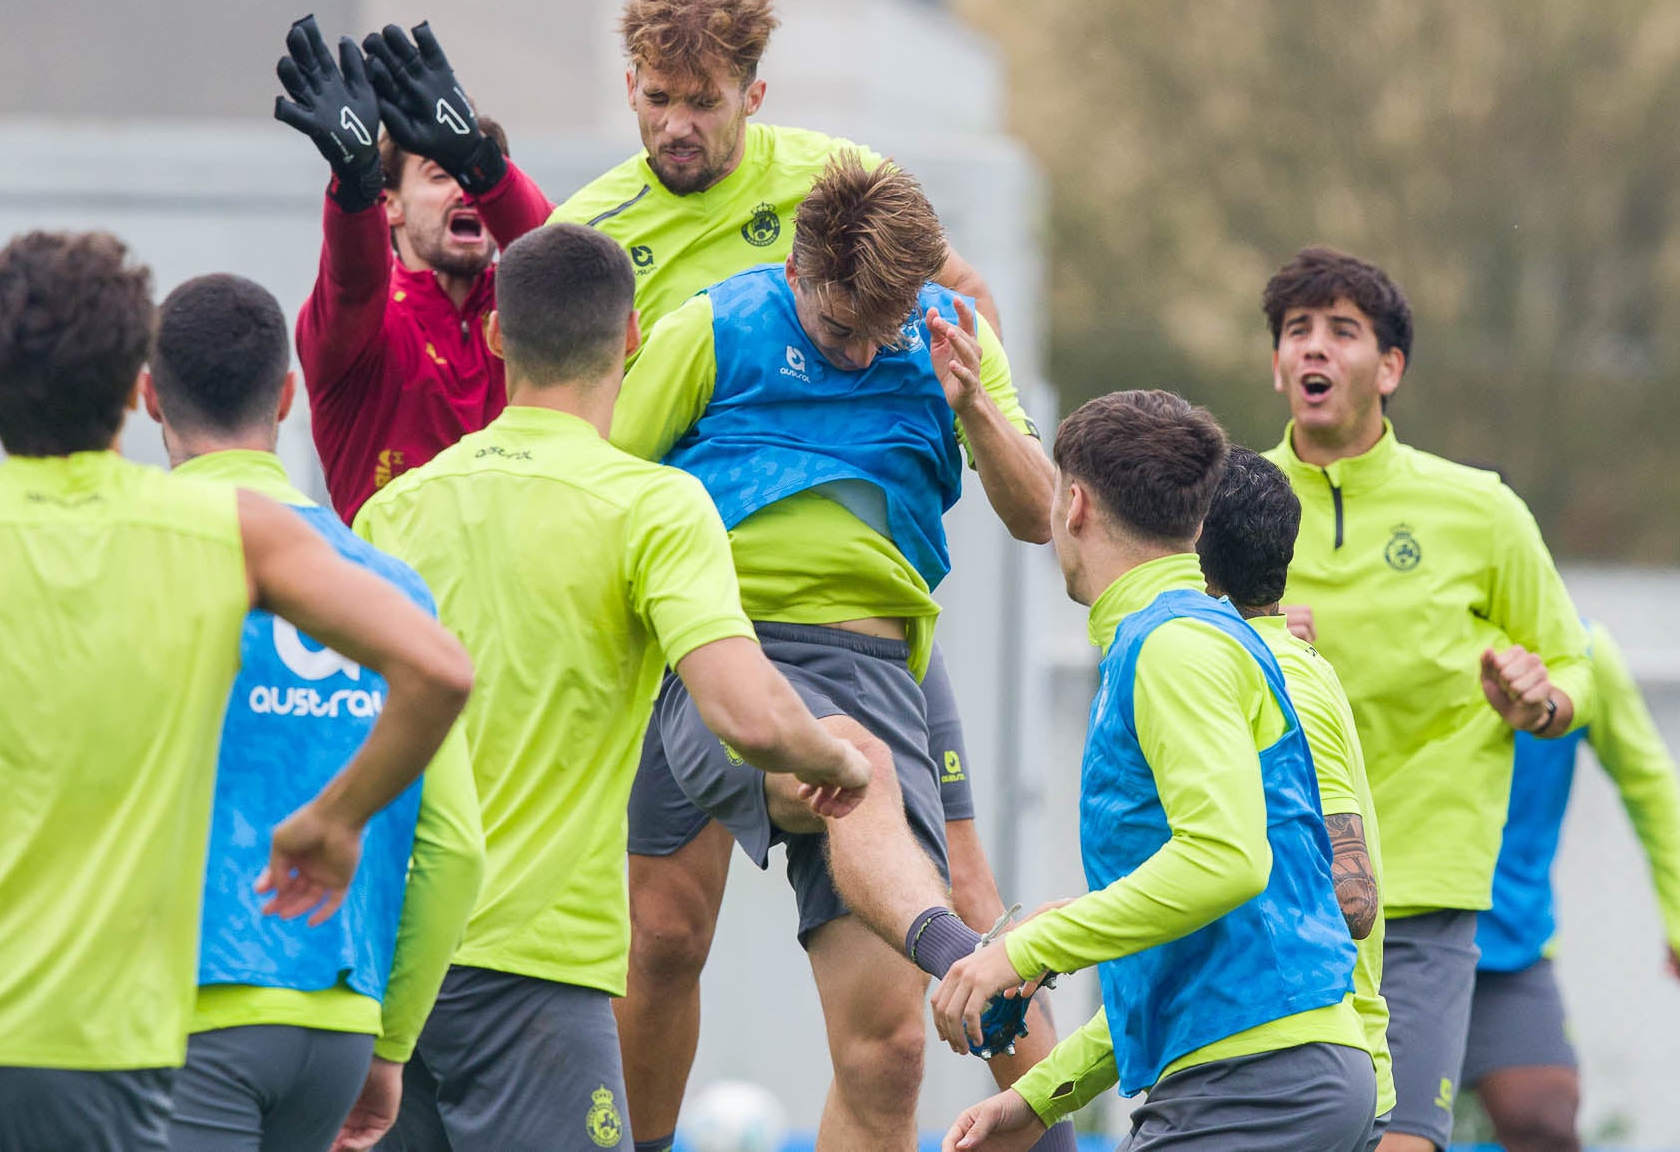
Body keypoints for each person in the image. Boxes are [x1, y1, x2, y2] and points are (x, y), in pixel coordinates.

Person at [361, 0, 1055, 1146]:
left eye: (705, 102)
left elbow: (1029, 490)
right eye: (656, 100)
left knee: (911, 999)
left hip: (875, 625)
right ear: (628, 87)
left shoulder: (853, 204)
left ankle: (999, 1008)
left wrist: (963, 352)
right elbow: (570, 409)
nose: (678, 125)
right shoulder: (621, 250)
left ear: (754, 94)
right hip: (686, 604)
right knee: (663, 935)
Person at [0, 229, 475, 1152]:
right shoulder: (219, 533)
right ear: (134, 388)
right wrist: (335, 819)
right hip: (95, 1050)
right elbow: (440, 670)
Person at [352, 222, 872, 1152]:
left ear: (499, 335)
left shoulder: (395, 509)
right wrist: (837, 756)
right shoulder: (654, 506)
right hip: (536, 969)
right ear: (632, 337)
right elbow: (746, 713)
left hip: (387, 956)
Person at [610, 155, 1064, 1151]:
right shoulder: (714, 327)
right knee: (665, 943)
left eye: (881, 330)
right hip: (718, 649)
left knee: (888, 1053)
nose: (860, 353)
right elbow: (606, 480)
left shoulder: (948, 336)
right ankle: (948, 943)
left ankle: (945, 948)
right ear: (795, 273)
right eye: (834, 327)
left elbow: (1041, 519)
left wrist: (974, 405)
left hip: (873, 663)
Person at [932, 392, 1373, 1152]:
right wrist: (1041, 1097)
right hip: (1272, 1072)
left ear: (1072, 504)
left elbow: (1225, 860)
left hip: (1255, 1081)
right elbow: (1191, 942)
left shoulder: (1172, 647)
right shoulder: (1176, 640)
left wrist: (1025, 947)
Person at [1257, 247, 1594, 1152]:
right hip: (1270, 885)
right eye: (1298, 331)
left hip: (1420, 894)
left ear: (1390, 367)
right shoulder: (1230, 502)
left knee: (1404, 1141)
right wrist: (1251, 644)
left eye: (1343, 330)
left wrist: (1542, 702)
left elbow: (1571, 660)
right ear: (1279, 363)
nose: (1314, 348)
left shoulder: (1478, 510)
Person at [141, 272, 486, 1152]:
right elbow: (454, 849)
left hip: (177, 1011)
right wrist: (389, 1039)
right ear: (289, 397)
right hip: (336, 1020)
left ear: (148, 396)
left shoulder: (128, 556)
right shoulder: (387, 589)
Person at [270, 14, 555, 520]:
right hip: (394, 596)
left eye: (474, 180)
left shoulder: (535, 316)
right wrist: (354, 184)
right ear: (391, 204)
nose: (465, 190)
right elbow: (354, 284)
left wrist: (478, 158)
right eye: (441, 174)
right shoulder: (365, 326)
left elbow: (567, 261)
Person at [1460, 619, 1680, 1152]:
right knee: (1378, 1128)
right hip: (1380, 944)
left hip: (1511, 943)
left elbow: (1649, 781)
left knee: (1546, 1126)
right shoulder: (1395, 622)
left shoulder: (1585, 652)